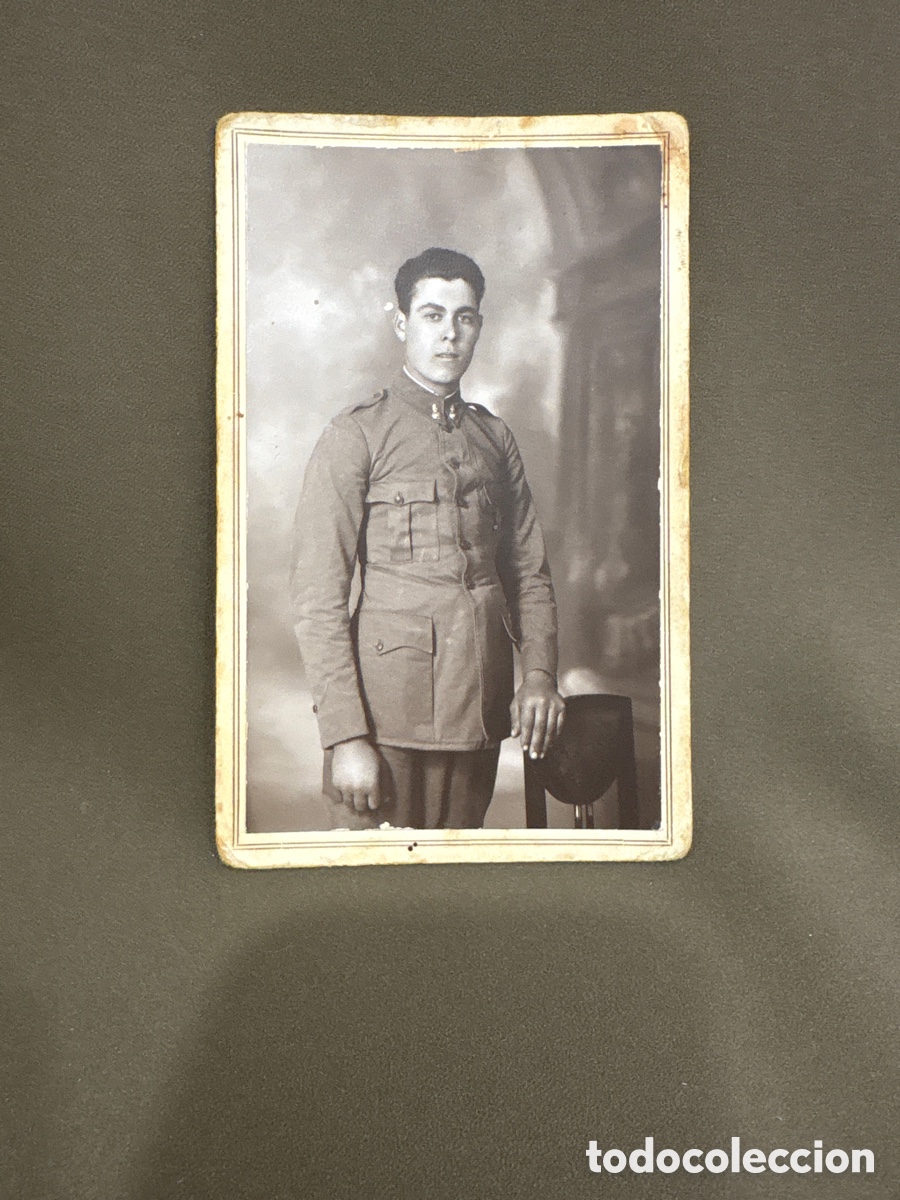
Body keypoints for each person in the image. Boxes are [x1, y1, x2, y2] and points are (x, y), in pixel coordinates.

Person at [290, 247, 564, 829]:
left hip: (480, 721)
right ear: (401, 323)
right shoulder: (356, 435)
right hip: (385, 728)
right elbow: (318, 601)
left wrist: (538, 673)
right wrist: (345, 737)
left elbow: (527, 575)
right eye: (433, 315)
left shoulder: (493, 438)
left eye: (464, 318)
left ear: (479, 328)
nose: (450, 334)